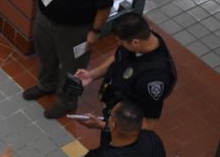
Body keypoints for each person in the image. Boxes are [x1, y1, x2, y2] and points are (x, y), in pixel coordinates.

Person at [75, 12, 176, 145]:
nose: (118, 44)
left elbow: (148, 124)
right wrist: (92, 74)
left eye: (120, 42)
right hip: (113, 114)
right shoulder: (144, 38)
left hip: (122, 134)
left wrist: (104, 125)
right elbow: (118, 58)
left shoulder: (153, 79)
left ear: (135, 42)